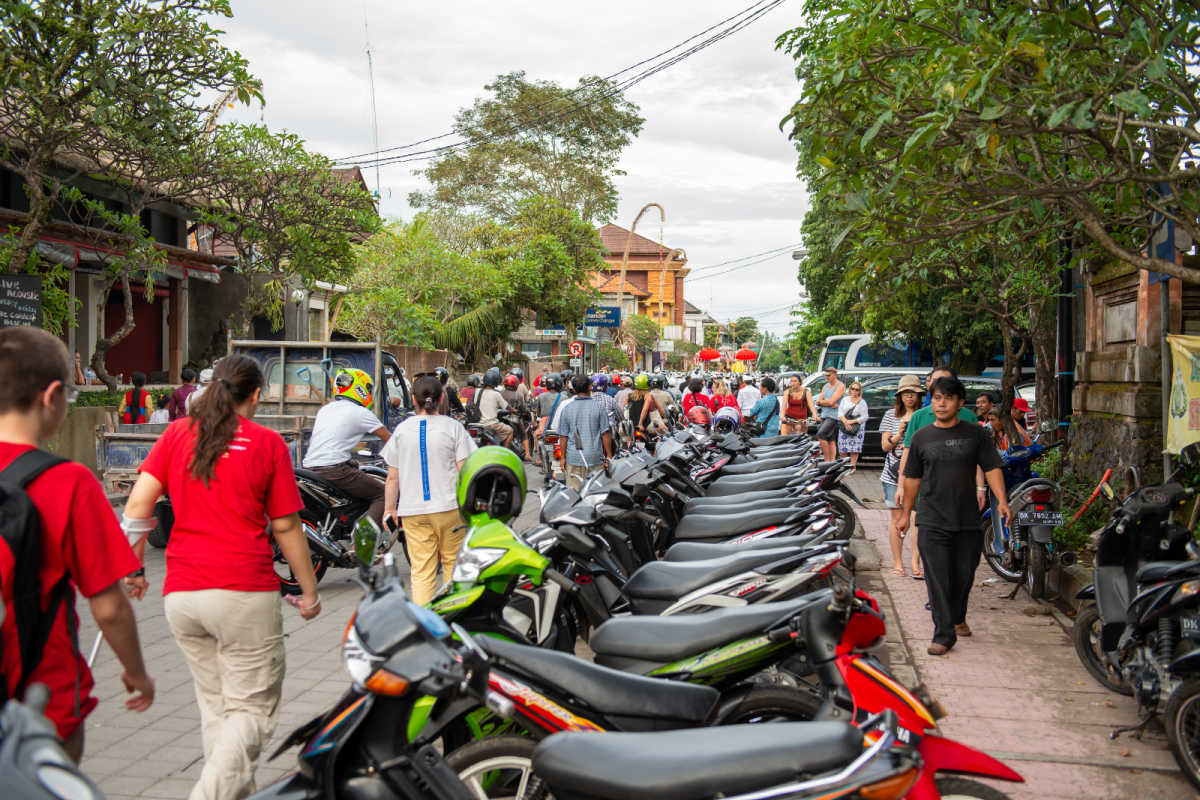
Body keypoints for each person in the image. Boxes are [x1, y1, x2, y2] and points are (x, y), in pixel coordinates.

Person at [123, 354, 320, 798]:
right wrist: (309, 591)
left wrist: (133, 568)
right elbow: (286, 526)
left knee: (217, 712)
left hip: (183, 597)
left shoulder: (175, 435)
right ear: (254, 396)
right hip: (242, 592)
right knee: (251, 711)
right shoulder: (266, 444)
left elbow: (136, 508)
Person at [0, 326, 153, 763]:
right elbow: (109, 607)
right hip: (40, 698)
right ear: (51, 397)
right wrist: (137, 672)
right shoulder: (68, 482)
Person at [898, 375, 1010, 656]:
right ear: (931, 401)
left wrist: (1002, 502)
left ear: (960, 403)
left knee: (963, 576)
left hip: (967, 519)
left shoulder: (976, 434)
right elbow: (912, 478)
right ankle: (943, 634)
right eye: (937, 398)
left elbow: (992, 467)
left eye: (948, 398)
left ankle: (958, 616)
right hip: (932, 518)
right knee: (937, 578)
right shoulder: (922, 437)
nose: (942, 403)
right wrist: (904, 514)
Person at [382, 376, 475, 605]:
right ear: (442, 397)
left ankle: (426, 626)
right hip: (449, 508)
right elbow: (466, 469)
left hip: (412, 512)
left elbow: (392, 477)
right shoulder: (453, 428)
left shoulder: (401, 431)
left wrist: (389, 509)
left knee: (422, 572)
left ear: (413, 399)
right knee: (453, 565)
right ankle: (453, 620)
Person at [301, 368, 391, 527]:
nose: (369, 393)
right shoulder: (360, 413)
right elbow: (390, 440)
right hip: (335, 470)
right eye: (368, 389)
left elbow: (332, 443)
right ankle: (361, 543)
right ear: (359, 389)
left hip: (310, 467)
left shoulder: (326, 409)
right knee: (383, 495)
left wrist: (353, 462)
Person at [895, 366, 978, 511]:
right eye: (935, 381)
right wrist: (901, 486)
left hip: (961, 495)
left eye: (945, 380)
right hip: (926, 494)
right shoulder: (919, 417)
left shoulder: (969, 418)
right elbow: (907, 455)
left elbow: (978, 458)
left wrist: (980, 488)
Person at [879, 375, 924, 578]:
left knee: (917, 519)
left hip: (919, 474)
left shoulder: (924, 416)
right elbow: (885, 446)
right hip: (892, 474)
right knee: (897, 518)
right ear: (899, 396)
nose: (909, 397)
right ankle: (898, 562)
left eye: (913, 393)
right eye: (906, 393)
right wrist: (899, 433)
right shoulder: (891, 415)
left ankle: (916, 561)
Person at [557, 373, 614, 489]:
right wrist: (609, 456)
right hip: (595, 459)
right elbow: (605, 433)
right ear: (589, 387)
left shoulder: (567, 409)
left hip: (573, 459)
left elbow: (563, 436)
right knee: (594, 495)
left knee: (574, 497)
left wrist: (563, 458)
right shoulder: (599, 407)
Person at [476, 368, 514, 447]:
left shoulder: (477, 391)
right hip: (491, 424)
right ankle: (504, 454)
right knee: (510, 431)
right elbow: (507, 407)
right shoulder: (496, 394)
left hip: (478, 424)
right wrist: (514, 410)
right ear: (496, 381)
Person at [815, 367, 846, 461]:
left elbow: (832, 401)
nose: (827, 377)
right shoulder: (825, 386)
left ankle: (827, 460)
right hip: (824, 415)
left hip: (834, 416)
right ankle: (832, 461)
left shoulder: (840, 385)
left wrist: (823, 402)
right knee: (830, 439)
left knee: (821, 434)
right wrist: (825, 402)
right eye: (826, 375)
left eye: (829, 375)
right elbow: (817, 401)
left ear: (835, 374)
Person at [836, 382, 868, 469]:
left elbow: (865, 417)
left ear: (859, 391)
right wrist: (846, 422)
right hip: (844, 425)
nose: (854, 391)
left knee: (854, 449)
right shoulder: (845, 400)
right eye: (852, 388)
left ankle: (853, 466)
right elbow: (840, 413)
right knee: (842, 448)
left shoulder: (862, 402)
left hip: (856, 428)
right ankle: (845, 466)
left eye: (856, 389)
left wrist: (852, 422)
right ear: (850, 389)